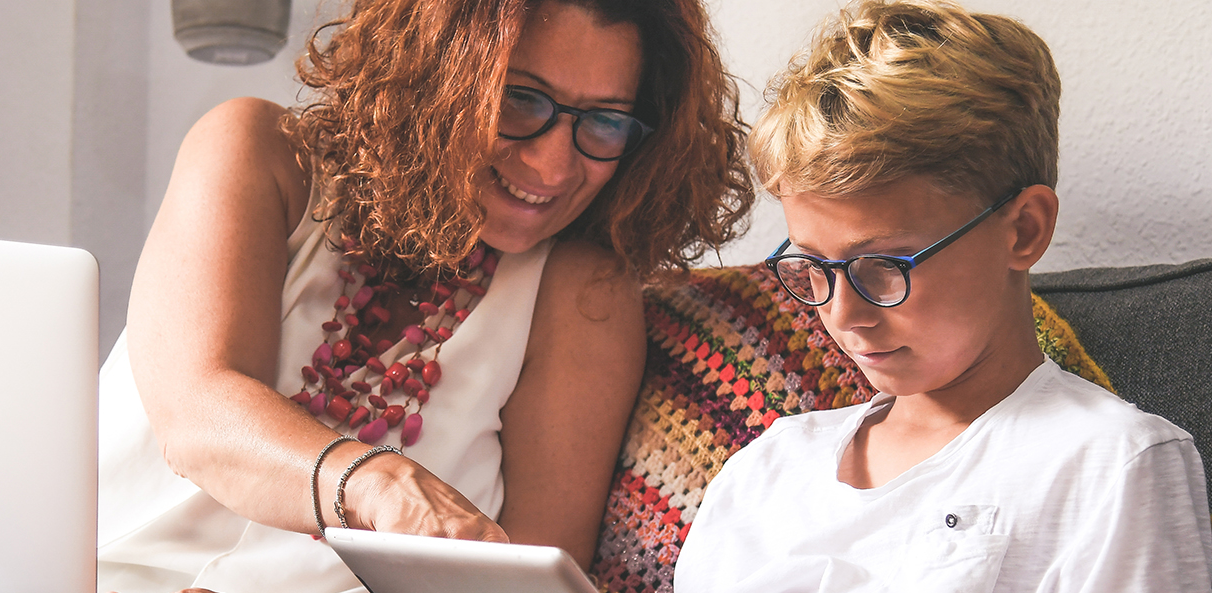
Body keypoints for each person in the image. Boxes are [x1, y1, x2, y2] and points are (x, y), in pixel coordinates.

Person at [96, 0, 753, 591]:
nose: (555, 166)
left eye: (606, 122)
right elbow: (196, 415)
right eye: (520, 100)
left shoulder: (584, 295)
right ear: (432, 73)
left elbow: (528, 580)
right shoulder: (260, 151)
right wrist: (377, 480)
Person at [673, 1, 1212, 591]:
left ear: (1023, 229)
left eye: (881, 266)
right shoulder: (769, 470)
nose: (842, 313)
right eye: (816, 267)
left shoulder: (1108, 463)